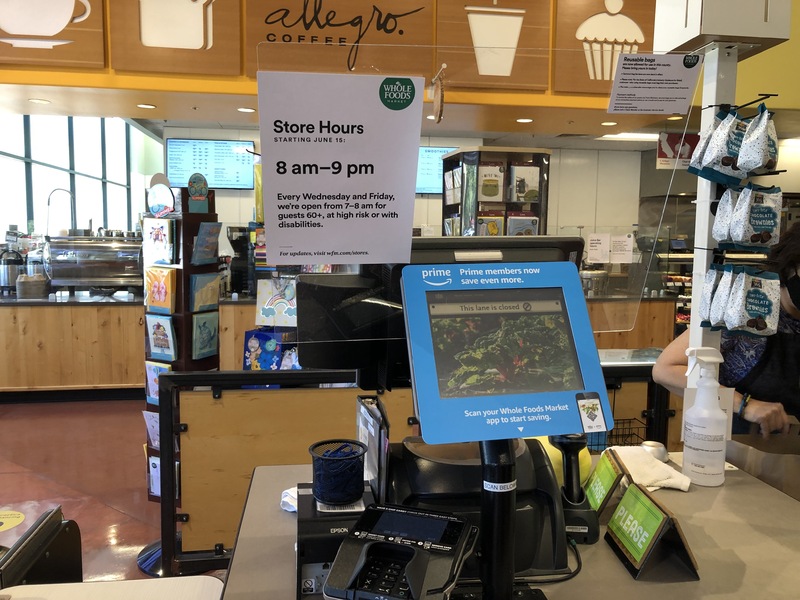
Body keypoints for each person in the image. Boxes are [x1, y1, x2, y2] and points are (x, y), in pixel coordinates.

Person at [652, 222, 800, 438]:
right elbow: (665, 369)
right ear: (788, 267)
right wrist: (744, 405)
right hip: (739, 456)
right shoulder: (746, 311)